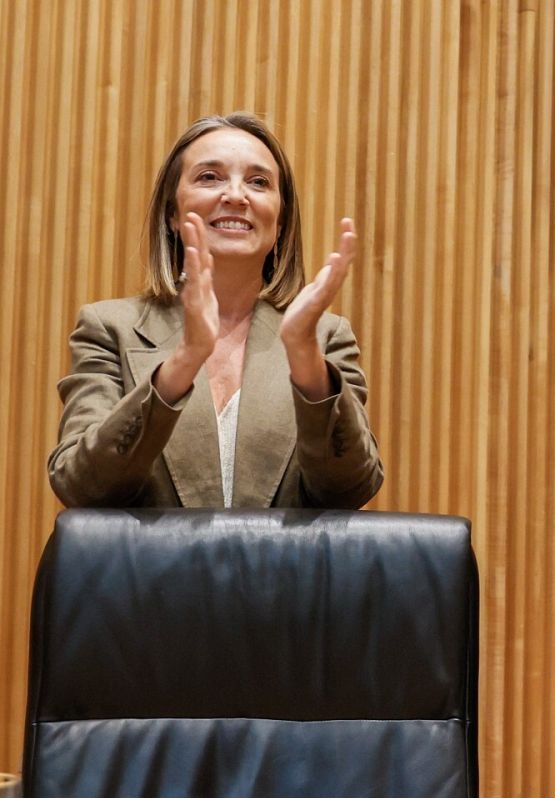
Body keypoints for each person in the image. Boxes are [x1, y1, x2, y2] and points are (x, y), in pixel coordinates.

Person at [49, 112, 383, 509]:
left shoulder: (325, 337)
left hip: (282, 573)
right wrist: (185, 361)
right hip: (152, 572)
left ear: (279, 224)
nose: (237, 196)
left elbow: (352, 490)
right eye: (210, 177)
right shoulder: (109, 328)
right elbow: (81, 486)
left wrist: (307, 362)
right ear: (173, 214)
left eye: (259, 182)